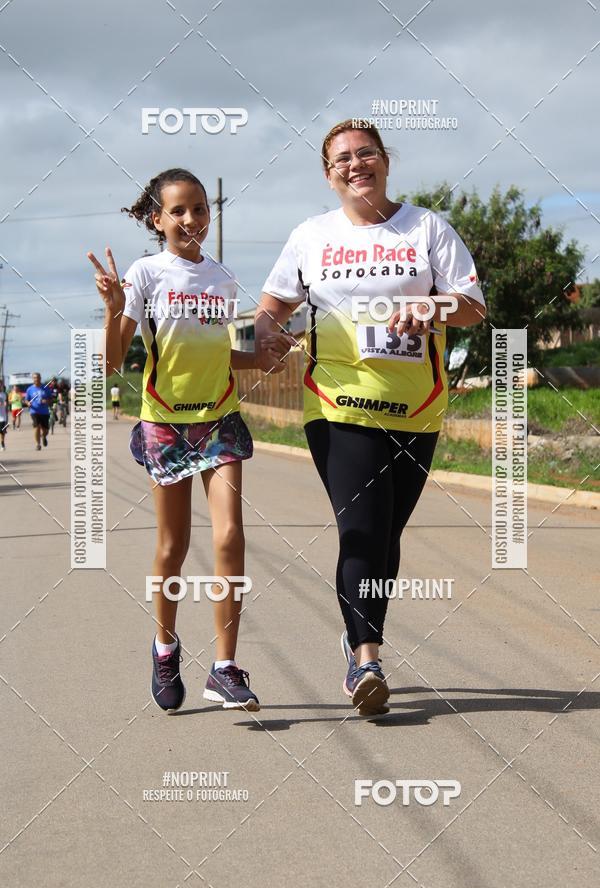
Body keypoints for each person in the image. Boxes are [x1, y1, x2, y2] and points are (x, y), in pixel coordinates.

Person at [256, 120, 486, 716]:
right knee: (360, 527)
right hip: (337, 404)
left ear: (386, 161)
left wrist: (431, 304)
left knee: (386, 535)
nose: (356, 165)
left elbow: (472, 307)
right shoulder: (311, 236)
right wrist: (264, 336)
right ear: (328, 175)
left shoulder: (426, 227)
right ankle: (367, 660)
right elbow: (273, 306)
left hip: (416, 407)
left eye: (367, 154)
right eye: (343, 159)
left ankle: (357, 627)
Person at [88, 167, 288, 714]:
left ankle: (224, 668)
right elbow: (110, 360)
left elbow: (231, 350)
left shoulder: (223, 277)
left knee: (229, 538)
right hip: (166, 425)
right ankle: (165, 646)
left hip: (220, 418)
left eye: (199, 208)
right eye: (178, 210)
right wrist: (111, 311)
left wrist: (264, 356)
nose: (191, 219)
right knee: (172, 548)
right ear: (157, 219)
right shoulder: (145, 273)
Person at [24, 373, 53, 450]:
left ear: (40, 378)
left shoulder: (45, 388)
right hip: (34, 411)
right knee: (37, 427)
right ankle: (38, 444)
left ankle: (43, 436)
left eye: (37, 377)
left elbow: (51, 398)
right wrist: (28, 403)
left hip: (44, 412)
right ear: (33, 379)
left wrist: (46, 401)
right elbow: (26, 400)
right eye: (34, 378)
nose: (36, 379)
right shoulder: (29, 389)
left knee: (46, 430)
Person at [0, 381, 8, 450]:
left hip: (2, 417)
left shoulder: (4, 394)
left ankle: (2, 442)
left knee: (2, 431)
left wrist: (5, 403)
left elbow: (6, 402)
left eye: (1, 385)